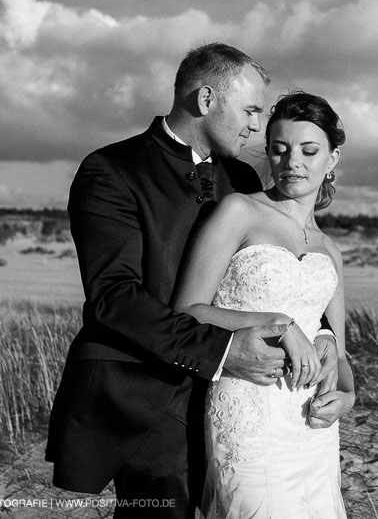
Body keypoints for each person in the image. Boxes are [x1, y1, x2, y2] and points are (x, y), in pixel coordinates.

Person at [45, 44, 340, 518]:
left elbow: (286, 264)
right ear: (205, 101)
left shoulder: (242, 176)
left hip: (245, 397)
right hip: (148, 394)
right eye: (249, 110)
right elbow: (113, 298)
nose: (255, 127)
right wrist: (222, 351)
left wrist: (322, 334)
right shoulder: (112, 171)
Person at [173, 90, 355, 518]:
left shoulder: (331, 251)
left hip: (312, 422)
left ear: (331, 160)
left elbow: (340, 354)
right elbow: (187, 308)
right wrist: (278, 322)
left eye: (310, 151)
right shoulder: (239, 211)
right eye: (279, 150)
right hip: (248, 412)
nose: (293, 162)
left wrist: (346, 393)